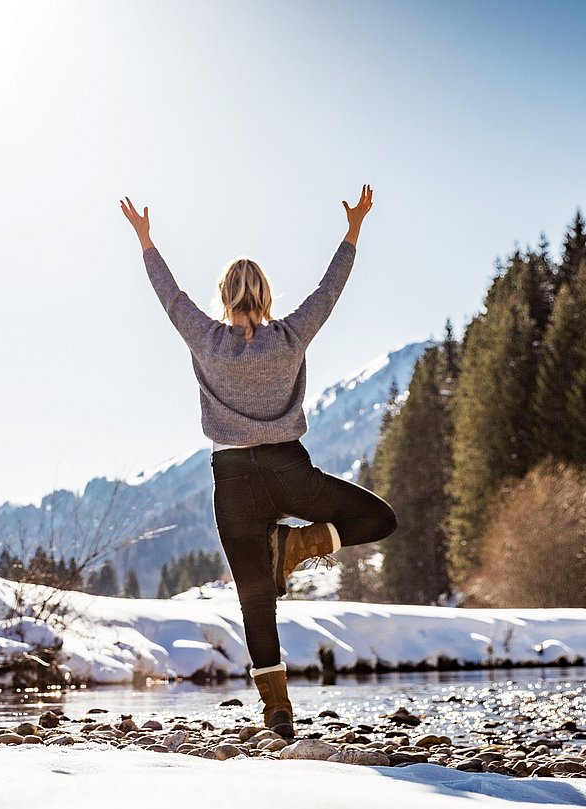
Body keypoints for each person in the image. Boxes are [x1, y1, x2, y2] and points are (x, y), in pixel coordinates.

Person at [118, 187, 397, 740]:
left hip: (232, 485)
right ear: (266, 295)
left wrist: (146, 241)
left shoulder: (205, 339)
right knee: (379, 518)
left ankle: (277, 713)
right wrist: (353, 231)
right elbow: (329, 291)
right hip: (288, 472)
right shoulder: (290, 336)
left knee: (255, 600)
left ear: (224, 297)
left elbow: (170, 296)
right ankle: (295, 546)